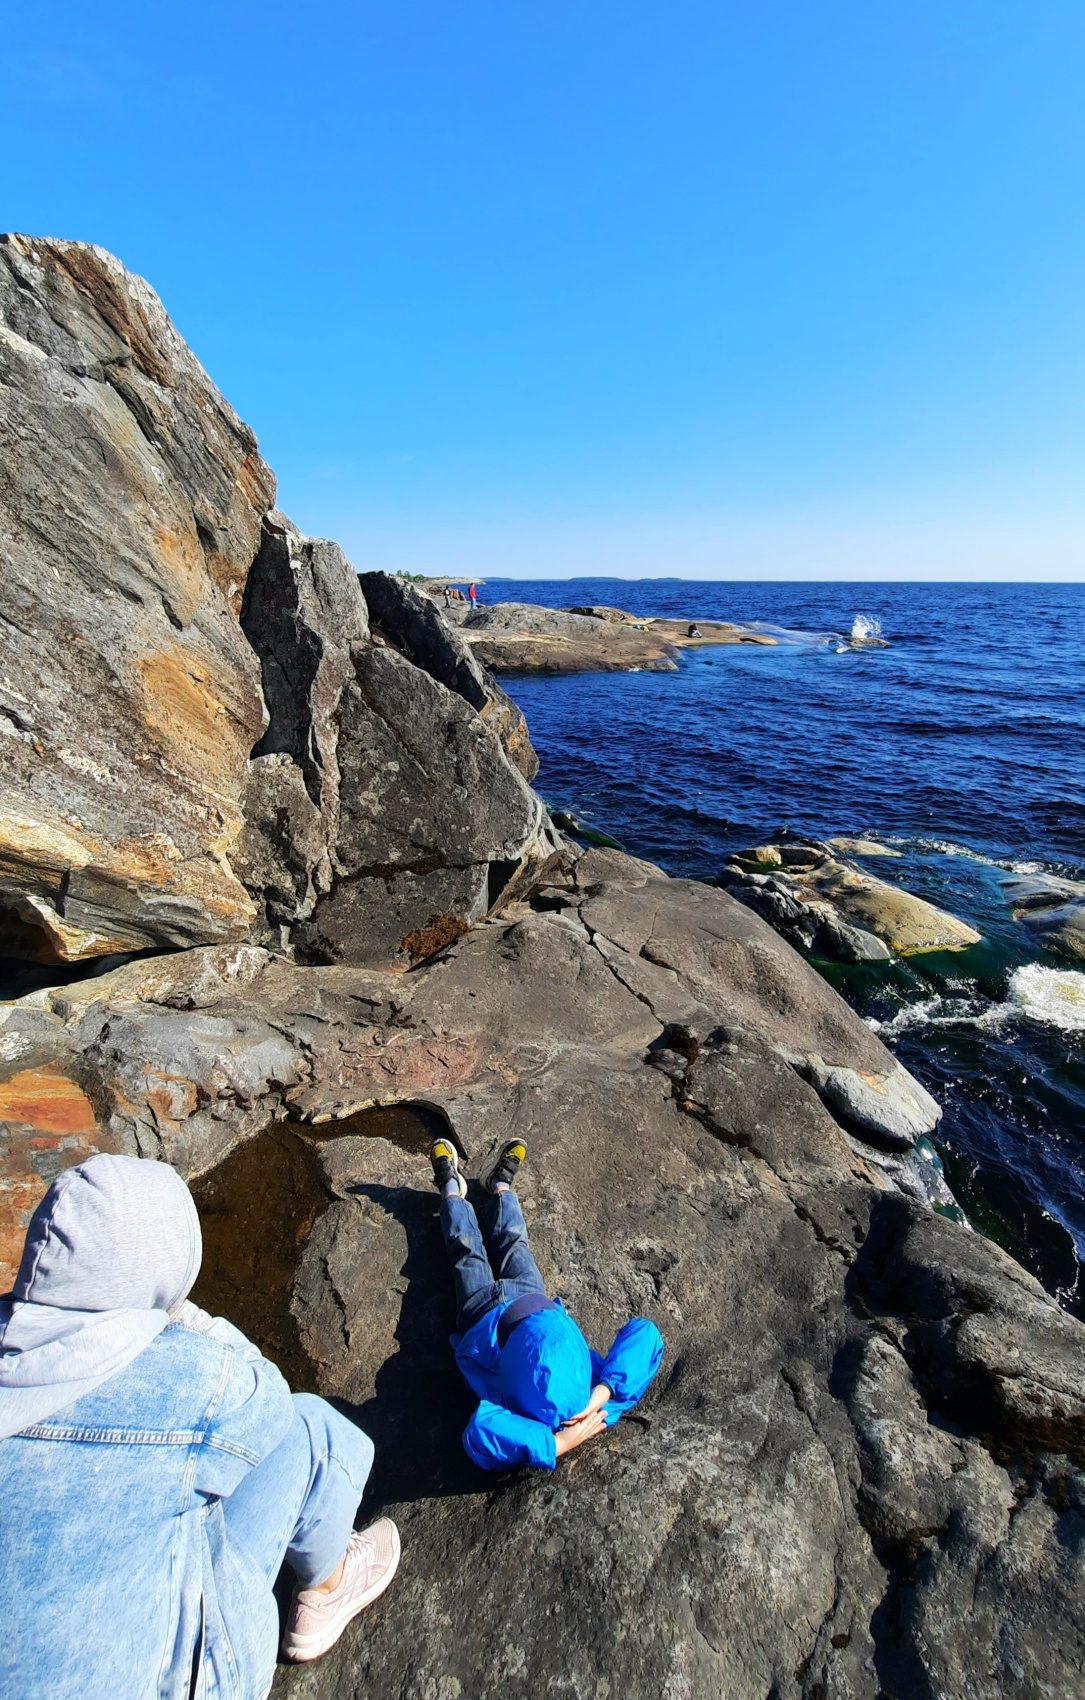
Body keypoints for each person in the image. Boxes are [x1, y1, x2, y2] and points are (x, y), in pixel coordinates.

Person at [0, 1154, 400, 1699]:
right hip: (185, 1680)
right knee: (310, 1431)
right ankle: (327, 1587)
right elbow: (267, 1399)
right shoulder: (182, 1380)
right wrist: (173, 1316)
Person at [430, 1136, 664, 1470]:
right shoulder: (589, 1403)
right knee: (514, 1241)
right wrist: (604, 1391)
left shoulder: (517, 1411)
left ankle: (450, 1188)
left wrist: (555, 1444)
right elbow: (647, 1334)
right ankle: (499, 1186)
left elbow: (480, 1430)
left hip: (481, 1316)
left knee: (466, 1249)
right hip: (532, 1296)